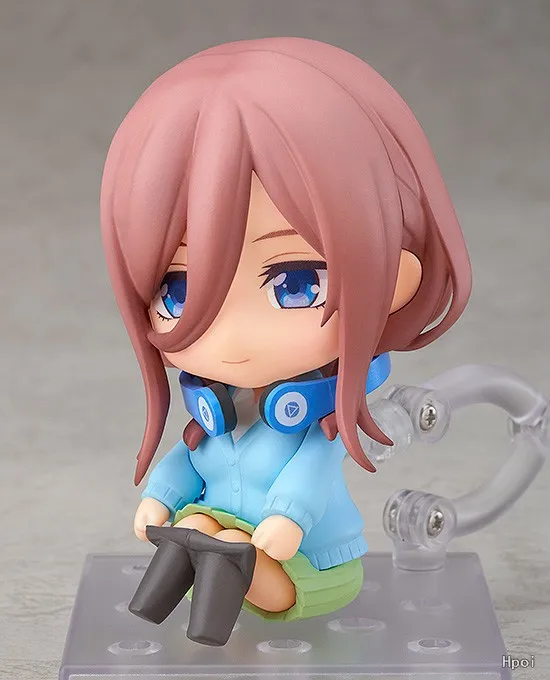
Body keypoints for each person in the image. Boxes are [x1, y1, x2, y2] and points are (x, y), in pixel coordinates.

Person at [100, 37, 472, 646]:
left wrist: (286, 521)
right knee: (202, 529)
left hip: (310, 562)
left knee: (232, 546)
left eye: (296, 284)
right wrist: (159, 501)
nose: (231, 333)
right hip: (230, 532)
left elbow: (309, 479)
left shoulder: (316, 432)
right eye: (178, 289)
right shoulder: (215, 421)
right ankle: (167, 604)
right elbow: (185, 464)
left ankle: (216, 602)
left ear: (397, 277)